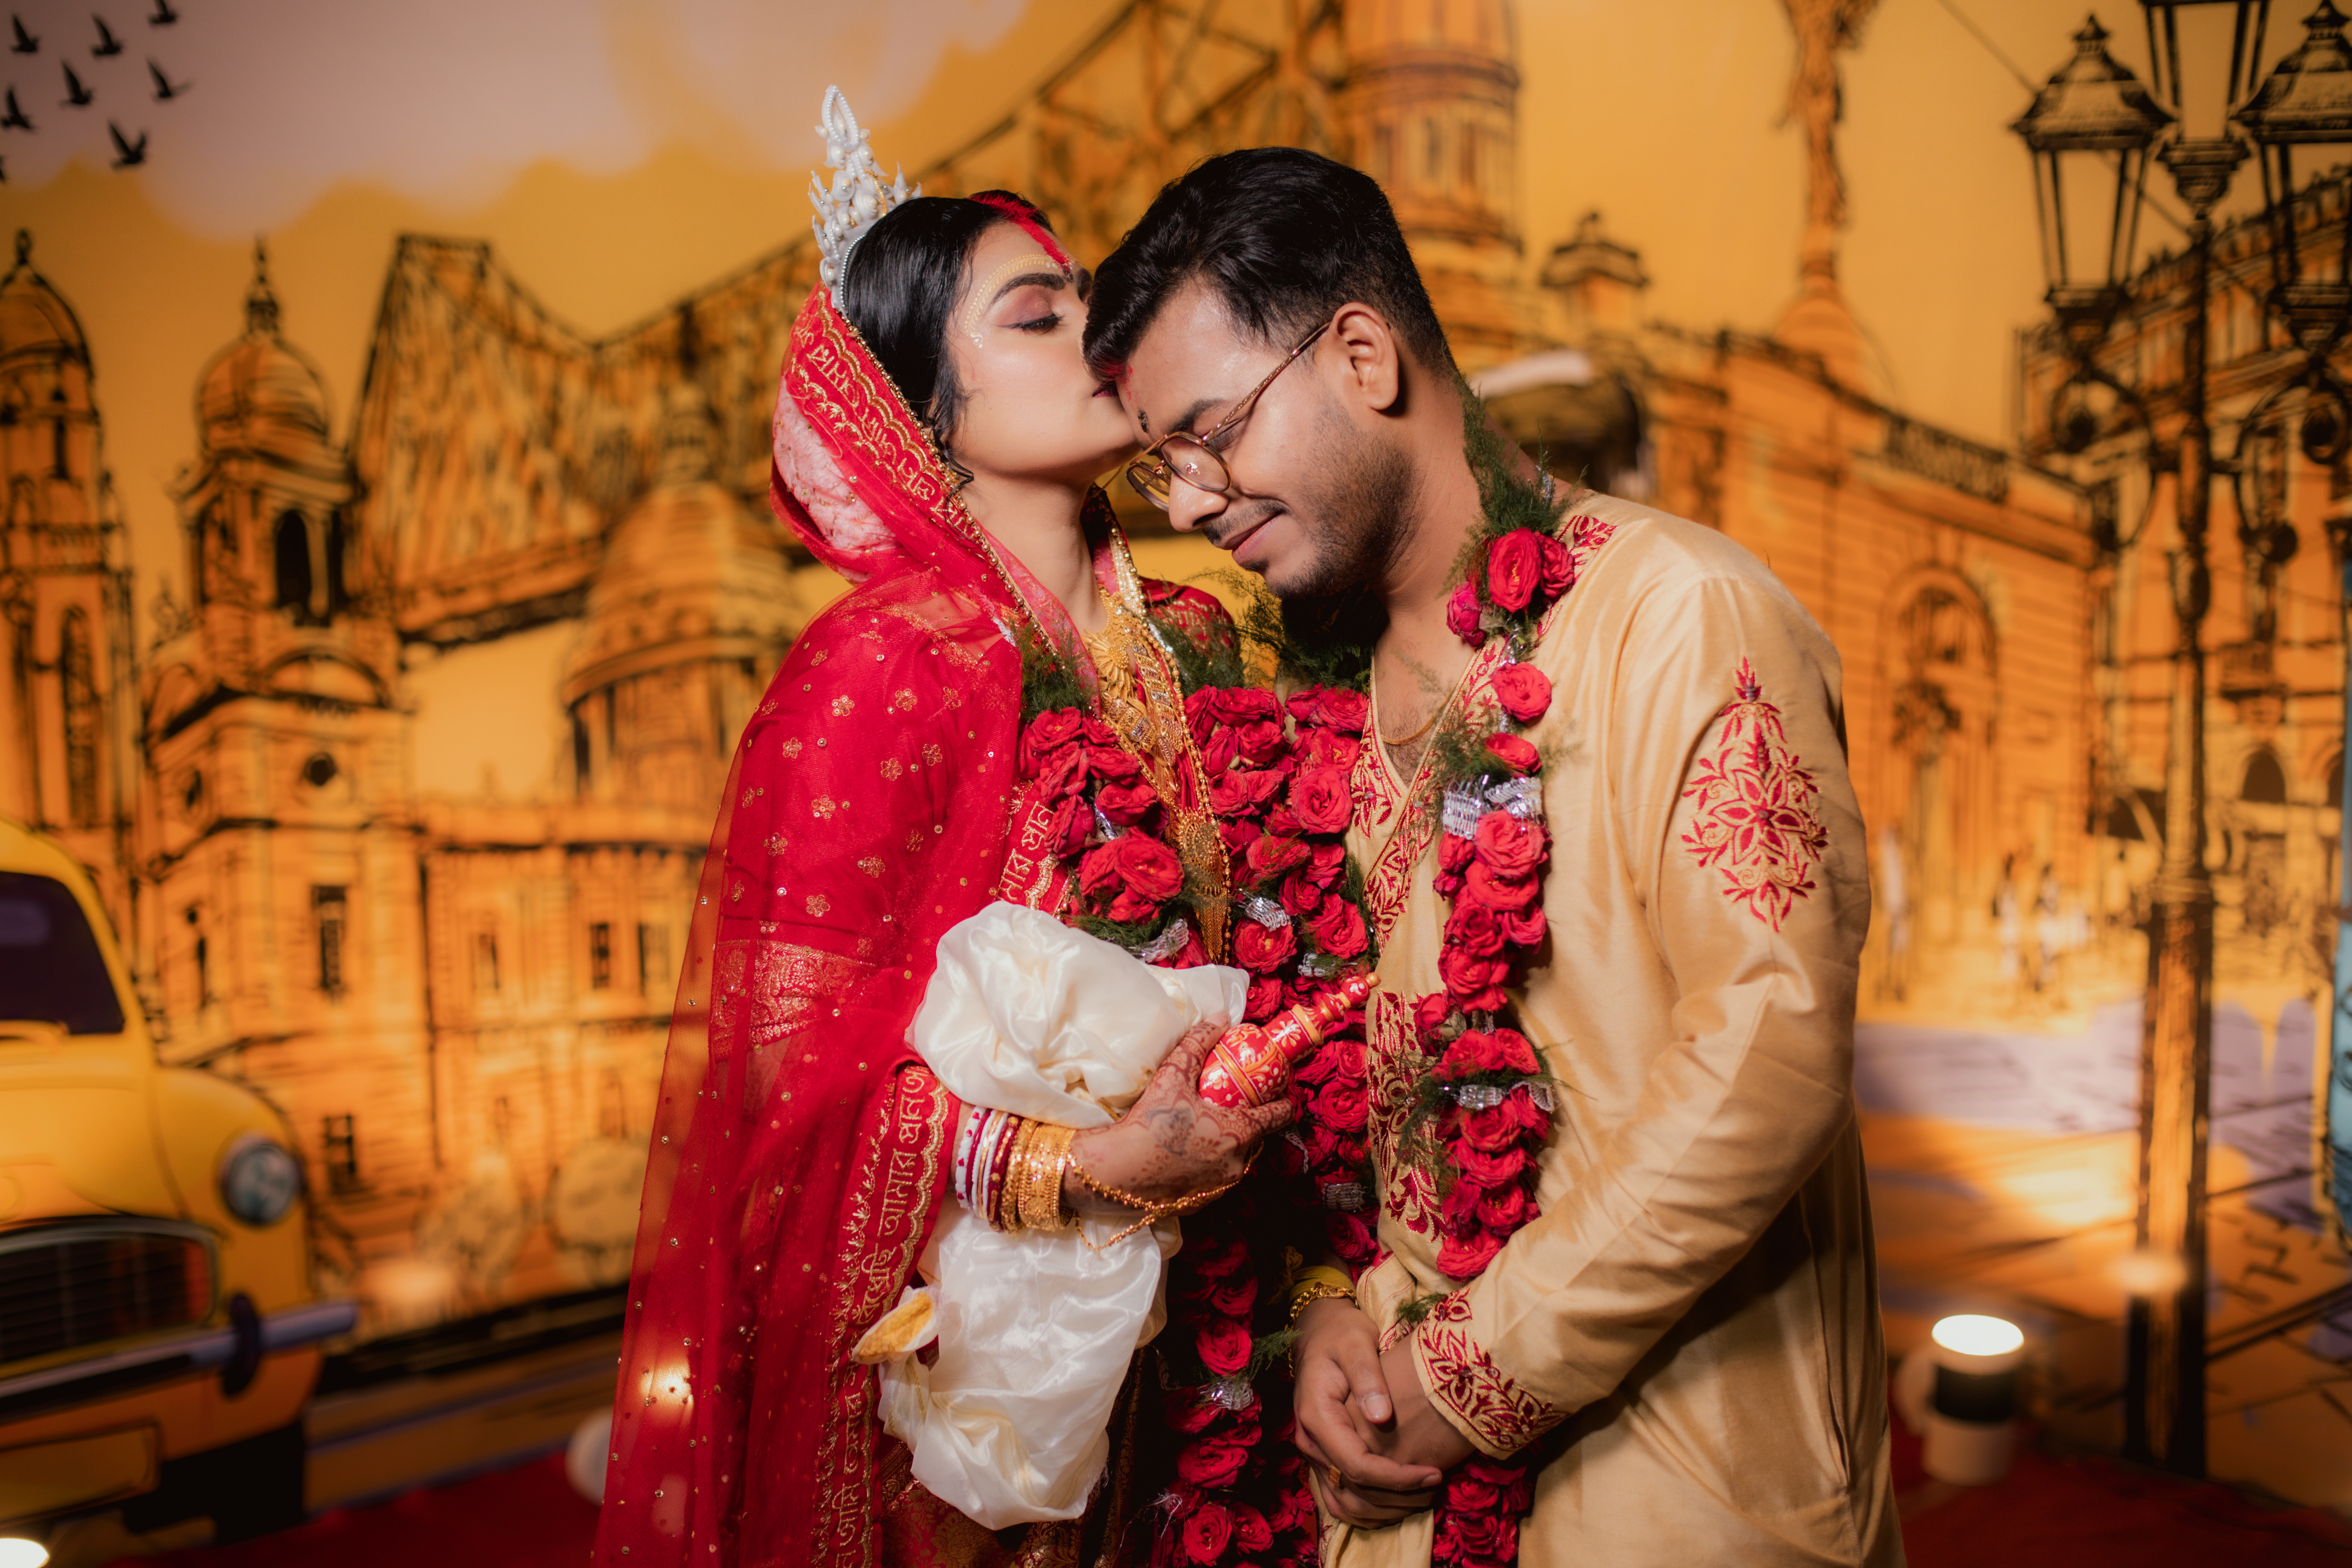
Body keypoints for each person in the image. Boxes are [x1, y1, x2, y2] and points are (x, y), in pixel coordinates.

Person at [1084, 147, 1901, 1566]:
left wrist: (1468, 1378)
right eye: (1165, 463)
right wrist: (1330, 1305)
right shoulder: (1297, 712)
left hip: (1679, 1491)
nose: (1192, 500)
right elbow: (1343, 1102)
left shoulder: (1677, 619)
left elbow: (1771, 1048)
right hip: (1385, 1488)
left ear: (1361, 355)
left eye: (1212, 433)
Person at [592, 96, 1294, 1568]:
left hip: (1217, 1321)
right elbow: (792, 1071)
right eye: (1040, 318)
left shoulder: (1196, 640)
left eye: (1096, 303)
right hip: (969, 1375)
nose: (1105, 339)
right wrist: (1079, 1164)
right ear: (918, 414)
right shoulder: (885, 664)